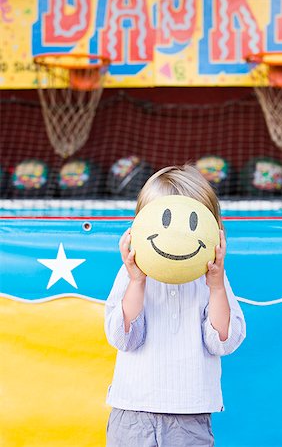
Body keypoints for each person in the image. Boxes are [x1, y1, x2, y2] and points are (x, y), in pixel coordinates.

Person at [105, 165, 246, 447]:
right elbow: (123, 337)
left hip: (190, 415)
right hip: (133, 410)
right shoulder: (132, 273)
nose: (176, 237)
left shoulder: (213, 277)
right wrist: (136, 281)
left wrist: (216, 285)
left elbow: (223, 341)